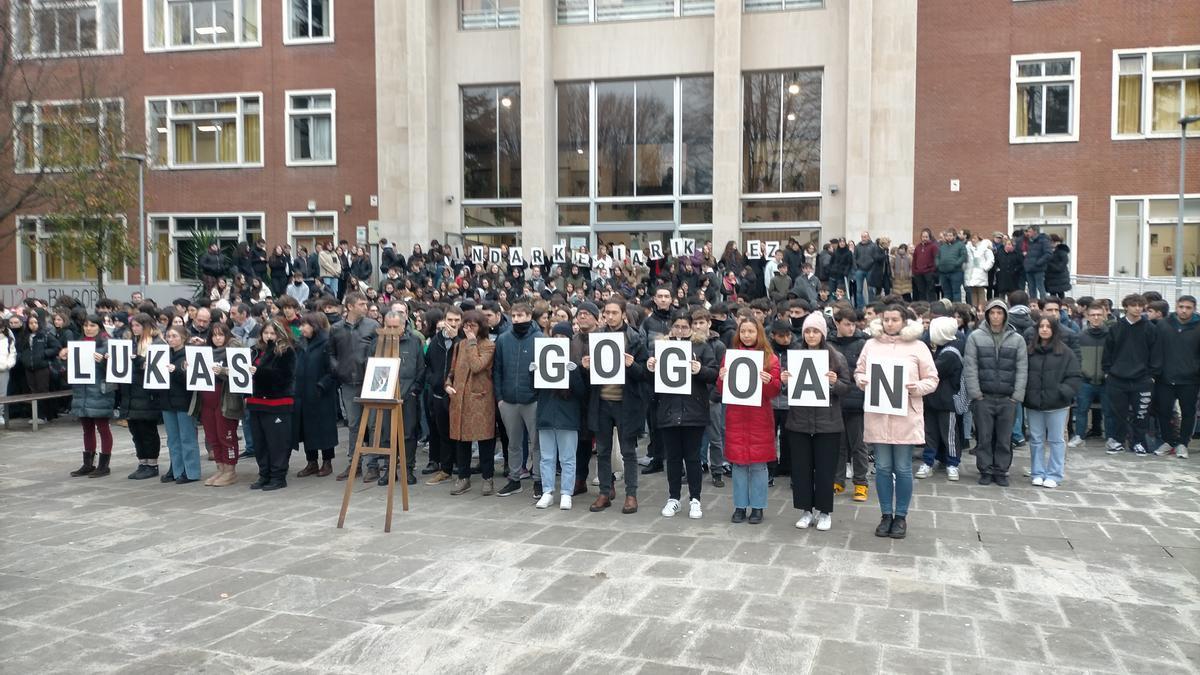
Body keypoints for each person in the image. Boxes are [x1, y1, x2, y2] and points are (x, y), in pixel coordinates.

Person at [855, 305, 939, 539]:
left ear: (904, 321)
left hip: (905, 416)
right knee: (882, 468)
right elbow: (859, 372)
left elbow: (932, 379)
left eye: (894, 319)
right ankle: (885, 515)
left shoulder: (918, 346)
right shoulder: (871, 345)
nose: (890, 323)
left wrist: (916, 389)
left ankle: (900, 516)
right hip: (878, 415)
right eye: (886, 319)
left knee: (902, 468)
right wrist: (863, 382)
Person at [646, 310, 719, 519]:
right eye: (676, 326)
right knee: (674, 457)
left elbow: (713, 374)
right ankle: (674, 498)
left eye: (684, 327)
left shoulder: (701, 347)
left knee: (693, 457)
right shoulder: (661, 348)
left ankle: (695, 499)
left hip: (693, 410)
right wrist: (651, 368)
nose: (680, 330)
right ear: (671, 328)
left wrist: (700, 369)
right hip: (668, 410)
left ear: (691, 328)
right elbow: (652, 383)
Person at [784, 313, 853, 532]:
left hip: (828, 423)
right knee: (802, 469)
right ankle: (806, 511)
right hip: (799, 421)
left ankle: (824, 512)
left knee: (825, 470)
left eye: (815, 331)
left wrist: (834, 383)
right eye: (807, 331)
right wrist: (785, 382)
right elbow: (788, 388)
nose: (811, 335)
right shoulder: (795, 355)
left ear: (822, 333)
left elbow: (846, 386)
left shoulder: (835, 356)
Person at [584, 296, 650, 515]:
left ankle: (631, 495)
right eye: (607, 313)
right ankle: (604, 492)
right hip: (601, 401)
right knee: (602, 450)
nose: (610, 316)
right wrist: (587, 366)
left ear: (623, 314)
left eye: (614, 312)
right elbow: (592, 375)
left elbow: (644, 374)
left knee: (628, 451)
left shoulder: (635, 338)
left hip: (626, 403)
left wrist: (632, 365)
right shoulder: (596, 337)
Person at [718, 316, 782, 525]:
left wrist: (770, 381)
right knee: (738, 466)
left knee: (758, 466)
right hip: (736, 417)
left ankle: (757, 507)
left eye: (751, 331)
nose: (746, 335)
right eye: (743, 331)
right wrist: (721, 378)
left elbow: (774, 391)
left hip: (759, 419)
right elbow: (721, 390)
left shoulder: (770, 358)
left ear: (759, 333)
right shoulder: (730, 356)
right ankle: (739, 506)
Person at [963, 299, 1028, 485]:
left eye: (1000, 313)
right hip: (984, 397)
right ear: (987, 315)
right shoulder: (975, 337)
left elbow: (1022, 369)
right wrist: (976, 394)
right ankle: (985, 469)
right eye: (992, 313)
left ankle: (1001, 470)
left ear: (1005, 315)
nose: (996, 316)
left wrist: (1017, 396)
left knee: (1004, 438)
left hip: (1008, 398)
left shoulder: (1017, 340)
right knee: (984, 436)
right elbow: (970, 367)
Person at [534, 321, 588, 510]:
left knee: (567, 458)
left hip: (568, 417)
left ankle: (566, 493)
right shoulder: (544, 357)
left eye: (563, 337)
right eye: (556, 336)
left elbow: (582, 393)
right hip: (546, 415)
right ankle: (547, 491)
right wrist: (533, 372)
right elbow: (535, 390)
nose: (559, 340)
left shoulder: (574, 361)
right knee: (547, 457)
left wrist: (573, 372)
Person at [492, 302, 543, 497]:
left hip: (533, 400)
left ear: (529, 316)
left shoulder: (540, 339)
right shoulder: (503, 339)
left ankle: (538, 479)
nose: (516, 319)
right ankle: (514, 479)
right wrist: (500, 398)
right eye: (514, 316)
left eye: (521, 315)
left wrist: (539, 395)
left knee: (537, 443)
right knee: (513, 442)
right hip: (509, 401)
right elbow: (497, 370)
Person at [1025, 317, 1082, 488]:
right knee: (1036, 439)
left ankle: (1055, 474)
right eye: (1041, 326)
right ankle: (1037, 472)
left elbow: (1074, 377)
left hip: (1057, 404)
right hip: (1034, 403)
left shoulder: (1065, 352)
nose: (1044, 329)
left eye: (1048, 326)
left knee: (1056, 440)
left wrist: (1062, 392)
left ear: (1054, 330)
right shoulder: (1029, 351)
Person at [446, 309, 498, 495]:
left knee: (484, 440)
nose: (468, 328)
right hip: (459, 399)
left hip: (480, 400)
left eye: (472, 325)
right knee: (461, 441)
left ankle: (487, 478)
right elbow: (452, 370)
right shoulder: (459, 346)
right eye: (466, 325)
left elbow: (476, 366)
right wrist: (448, 384)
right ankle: (463, 477)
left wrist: (471, 341)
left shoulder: (488, 345)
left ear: (480, 327)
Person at [330, 292, 380, 480]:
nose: (365, 307)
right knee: (354, 425)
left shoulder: (373, 326)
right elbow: (331, 353)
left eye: (366, 304)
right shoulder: (336, 329)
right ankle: (355, 463)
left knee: (374, 424)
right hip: (348, 382)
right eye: (361, 304)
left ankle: (373, 464)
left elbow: (380, 351)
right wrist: (337, 369)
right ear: (350, 306)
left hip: (371, 382)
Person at [1102, 294, 1160, 455]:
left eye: (1140, 306)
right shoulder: (1115, 328)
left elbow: (1156, 353)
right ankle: (1119, 441)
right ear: (1126, 307)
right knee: (1119, 413)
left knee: (1141, 414)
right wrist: (1107, 372)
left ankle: (1138, 442)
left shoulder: (1150, 328)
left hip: (1142, 379)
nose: (1137, 308)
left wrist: (1152, 375)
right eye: (1134, 305)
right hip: (1117, 378)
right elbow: (1108, 352)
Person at [247, 320, 297, 491]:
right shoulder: (254, 351)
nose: (268, 336)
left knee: (277, 442)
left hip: (278, 402)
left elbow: (285, 377)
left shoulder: (286, 351)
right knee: (260, 443)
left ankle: (278, 476)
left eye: (272, 333)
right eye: (266, 333)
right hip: (256, 402)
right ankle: (264, 474)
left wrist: (259, 372)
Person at [66, 315, 116, 478]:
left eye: (92, 325)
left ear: (99, 327)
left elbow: (117, 367)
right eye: (86, 325)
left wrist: (105, 360)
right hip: (82, 391)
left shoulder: (107, 342)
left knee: (102, 427)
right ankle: (88, 463)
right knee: (86, 428)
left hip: (100, 390)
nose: (88, 328)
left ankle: (104, 465)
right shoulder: (79, 343)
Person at [916, 316, 966, 482]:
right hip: (931, 399)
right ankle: (928, 461)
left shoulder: (950, 352)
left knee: (949, 434)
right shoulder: (939, 347)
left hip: (947, 401)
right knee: (930, 432)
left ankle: (952, 462)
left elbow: (932, 369)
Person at [829, 307, 870, 501]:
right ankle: (837, 481)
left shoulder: (864, 343)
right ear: (837, 323)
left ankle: (861, 483)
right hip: (835, 400)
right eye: (847, 324)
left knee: (858, 445)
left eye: (853, 324)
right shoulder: (829, 344)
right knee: (837, 444)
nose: (851, 328)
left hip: (856, 401)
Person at [292, 313, 339, 480]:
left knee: (323, 429)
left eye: (305, 325)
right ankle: (311, 461)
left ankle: (327, 461)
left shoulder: (326, 343)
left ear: (315, 326)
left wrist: (321, 385)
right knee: (306, 429)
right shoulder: (301, 343)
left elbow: (332, 370)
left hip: (321, 394)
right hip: (303, 393)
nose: (301, 328)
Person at [198, 322, 245, 486]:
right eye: (214, 335)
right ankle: (221, 468)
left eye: (221, 335)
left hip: (225, 400)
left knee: (226, 436)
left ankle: (230, 470)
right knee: (212, 437)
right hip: (207, 401)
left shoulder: (233, 351)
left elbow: (241, 373)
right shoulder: (206, 352)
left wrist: (223, 371)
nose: (217, 338)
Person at [1153, 295, 1198, 458]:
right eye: (1181, 307)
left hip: (1190, 379)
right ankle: (1168, 442)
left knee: (1188, 412)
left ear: (1194, 309)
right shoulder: (1164, 324)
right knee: (1164, 411)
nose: (1184, 310)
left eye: (1188, 307)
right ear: (1176, 307)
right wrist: (1156, 371)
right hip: (1165, 378)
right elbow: (1156, 349)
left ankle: (1182, 444)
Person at [122, 314, 164, 479]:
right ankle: (142, 462)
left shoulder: (157, 343)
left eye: (138, 326)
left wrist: (139, 361)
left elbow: (155, 368)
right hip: (131, 393)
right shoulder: (132, 343)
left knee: (147, 431)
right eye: (133, 326)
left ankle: (152, 464)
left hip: (147, 395)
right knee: (136, 431)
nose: (135, 329)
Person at [160, 326, 202, 484]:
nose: (170, 339)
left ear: (183, 338)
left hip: (184, 402)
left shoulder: (189, 355)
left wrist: (176, 371)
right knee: (172, 440)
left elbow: (191, 380)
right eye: (168, 336)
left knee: (187, 438)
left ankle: (191, 472)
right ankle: (177, 471)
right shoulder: (164, 354)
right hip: (167, 401)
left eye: (174, 336)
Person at [935, 228, 967, 303]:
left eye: (950, 235)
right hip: (943, 273)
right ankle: (947, 310)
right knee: (946, 293)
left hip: (956, 272)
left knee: (956, 292)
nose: (948, 237)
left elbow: (963, 256)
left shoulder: (960, 245)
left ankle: (956, 310)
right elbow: (937, 257)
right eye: (947, 236)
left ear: (955, 236)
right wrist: (938, 265)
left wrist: (956, 264)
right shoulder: (942, 246)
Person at [1021, 226, 1052, 300]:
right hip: (1029, 268)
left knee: (1040, 287)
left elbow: (1048, 253)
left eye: (1029, 231)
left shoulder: (1043, 241)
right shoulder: (1029, 241)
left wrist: (1038, 263)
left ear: (1035, 231)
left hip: (1038, 269)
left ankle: (1043, 304)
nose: (1028, 233)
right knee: (1031, 288)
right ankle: (1033, 305)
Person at [965, 232, 994, 308]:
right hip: (971, 272)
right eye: (972, 239)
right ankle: (974, 308)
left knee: (981, 291)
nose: (973, 240)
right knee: (973, 291)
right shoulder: (968, 247)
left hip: (981, 272)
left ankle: (981, 308)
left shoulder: (984, 247)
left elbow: (990, 259)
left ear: (979, 239)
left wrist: (985, 267)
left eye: (975, 238)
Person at [1044, 234, 1072, 298]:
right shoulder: (1049, 251)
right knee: (1052, 295)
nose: (1050, 243)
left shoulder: (1062, 252)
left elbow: (1061, 266)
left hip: (1059, 278)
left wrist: (1049, 264)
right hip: (1051, 278)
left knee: (1060, 294)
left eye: (1051, 242)